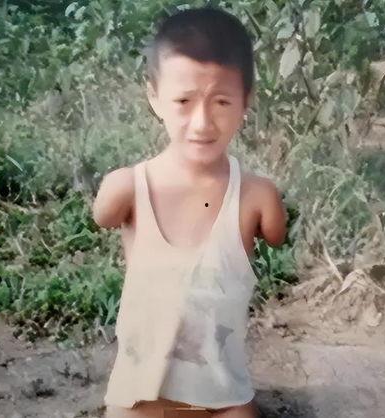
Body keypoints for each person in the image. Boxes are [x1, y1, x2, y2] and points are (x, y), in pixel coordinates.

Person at [93, 6, 287, 418]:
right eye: (183, 101)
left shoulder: (256, 197)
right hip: (141, 396)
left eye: (221, 102)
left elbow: (276, 233)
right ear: (154, 97)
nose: (202, 123)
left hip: (222, 398)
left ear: (246, 101)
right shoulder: (127, 189)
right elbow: (102, 216)